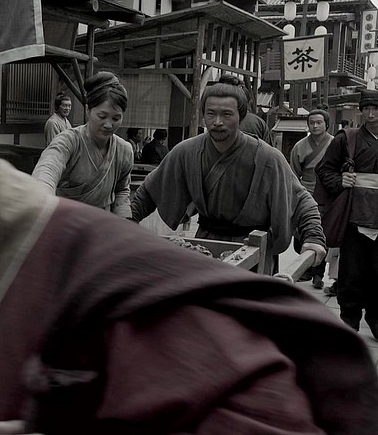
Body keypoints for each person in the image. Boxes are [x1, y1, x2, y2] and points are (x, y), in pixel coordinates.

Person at [0, 38, 378, 435]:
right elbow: (120, 191)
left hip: (211, 245)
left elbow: (270, 409)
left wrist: (310, 238)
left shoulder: (109, 278)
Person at [130, 76, 326, 275]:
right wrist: (128, 221)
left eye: (226, 114)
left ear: (241, 116)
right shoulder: (187, 151)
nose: (217, 122)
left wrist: (313, 236)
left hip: (254, 248)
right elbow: (150, 190)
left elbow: (302, 201)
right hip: (205, 245)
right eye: (211, 114)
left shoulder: (268, 158)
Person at [315, 89, 378, 337]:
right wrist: (340, 180)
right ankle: (349, 320)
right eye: (366, 109)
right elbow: (324, 169)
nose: (371, 115)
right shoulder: (347, 139)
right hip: (354, 216)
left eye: (376, 109)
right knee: (351, 272)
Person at [31, 72, 133, 217]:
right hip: (64, 220)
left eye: (116, 118)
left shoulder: (124, 150)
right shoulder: (68, 141)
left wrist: (124, 221)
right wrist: (42, 197)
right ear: (88, 111)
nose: (108, 125)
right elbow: (48, 167)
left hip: (101, 223)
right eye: (102, 116)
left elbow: (122, 190)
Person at [289, 109, 334, 289]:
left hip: (327, 193)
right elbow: (293, 173)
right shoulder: (299, 146)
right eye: (311, 122)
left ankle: (318, 273)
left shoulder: (334, 144)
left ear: (326, 124)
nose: (315, 126)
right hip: (305, 191)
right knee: (301, 232)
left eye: (319, 122)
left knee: (322, 232)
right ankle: (306, 268)